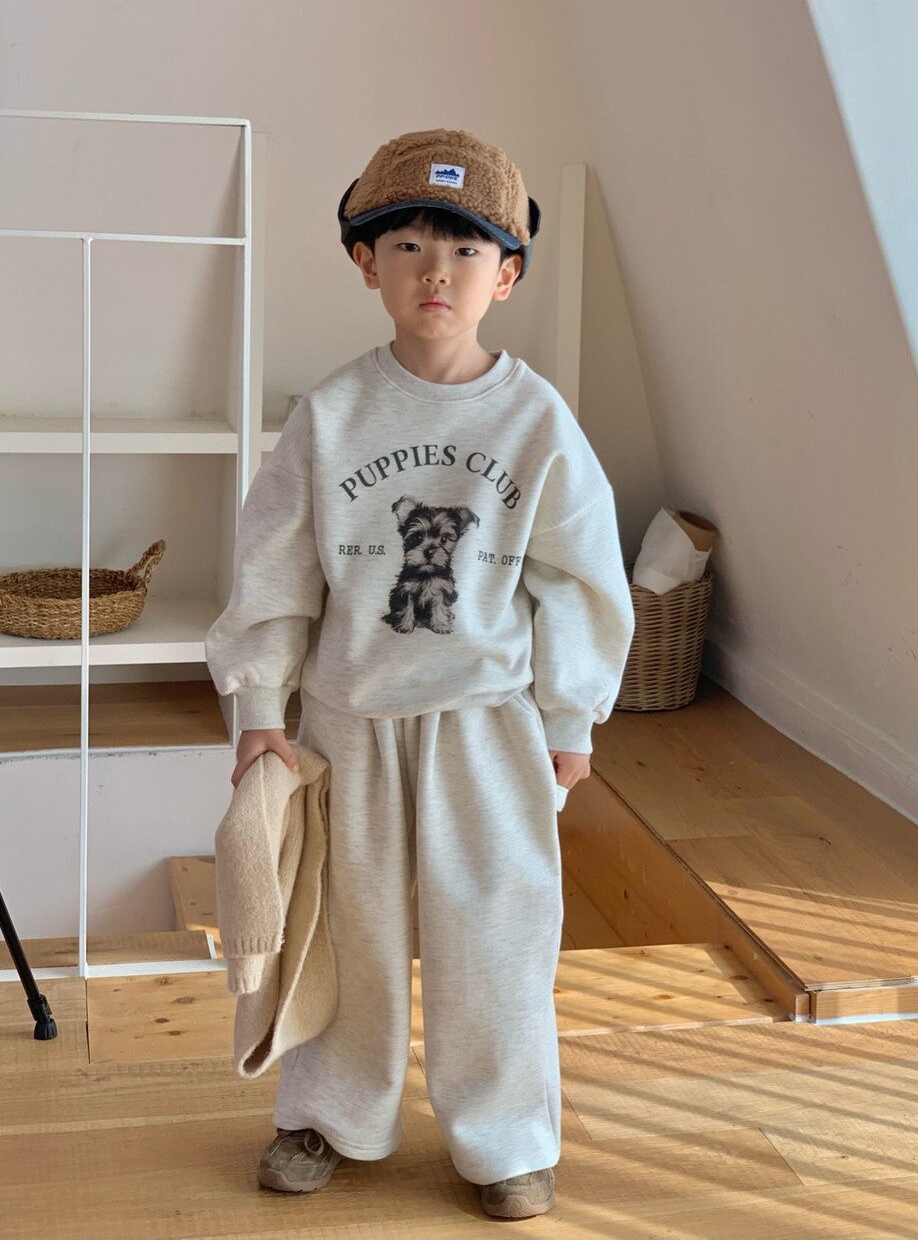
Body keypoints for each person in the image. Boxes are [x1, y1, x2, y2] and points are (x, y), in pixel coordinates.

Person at [204, 127, 635, 1220]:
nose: (435, 271)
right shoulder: (329, 416)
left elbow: (578, 580)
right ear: (367, 263)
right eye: (407, 246)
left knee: (496, 938)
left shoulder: (536, 422)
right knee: (344, 934)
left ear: (507, 274)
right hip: (347, 720)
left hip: (486, 726)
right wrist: (259, 706)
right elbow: (274, 567)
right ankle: (327, 1113)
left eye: (465, 249)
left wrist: (570, 718)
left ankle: (504, 1139)